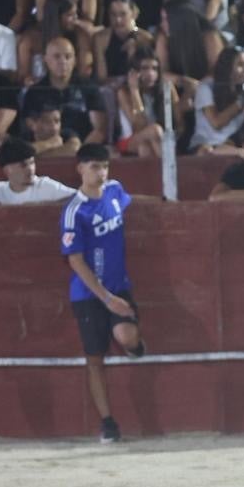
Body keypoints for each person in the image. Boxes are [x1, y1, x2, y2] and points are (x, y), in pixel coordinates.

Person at [60, 143, 147, 446]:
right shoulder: (74, 211)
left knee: (126, 337)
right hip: (88, 293)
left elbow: (128, 202)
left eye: (104, 166)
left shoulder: (114, 191)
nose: (100, 172)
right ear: (80, 169)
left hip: (118, 284)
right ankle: (108, 422)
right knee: (95, 359)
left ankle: (135, 346)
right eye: (94, 166)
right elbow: (75, 260)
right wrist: (107, 298)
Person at [0, 138, 80, 204]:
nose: (30, 169)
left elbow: (80, 198)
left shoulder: (45, 185)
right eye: (23, 165)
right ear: (8, 170)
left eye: (32, 163)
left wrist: (43, 205)